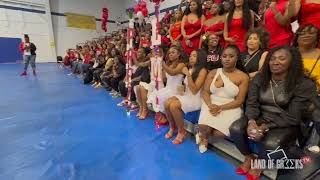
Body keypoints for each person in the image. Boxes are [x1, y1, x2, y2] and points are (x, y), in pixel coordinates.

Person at [229, 46, 318, 180]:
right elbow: (252, 103)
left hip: (286, 122)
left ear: (292, 61)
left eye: (282, 58)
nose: (275, 62)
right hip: (261, 116)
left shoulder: (303, 84)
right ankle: (249, 157)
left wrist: (264, 128)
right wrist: (252, 122)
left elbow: (292, 117)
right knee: (235, 128)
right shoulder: (260, 78)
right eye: (272, 58)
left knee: (271, 143)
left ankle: (260, 163)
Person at [197, 45, 249, 153]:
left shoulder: (243, 77)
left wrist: (220, 108)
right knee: (203, 126)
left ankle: (202, 134)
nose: (227, 59)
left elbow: (239, 101)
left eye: (231, 56)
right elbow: (206, 92)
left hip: (231, 106)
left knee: (221, 133)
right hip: (211, 103)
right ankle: (204, 137)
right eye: (224, 56)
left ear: (237, 58)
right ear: (221, 58)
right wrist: (210, 105)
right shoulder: (213, 72)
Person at [164, 49, 208, 145]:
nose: (191, 58)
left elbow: (195, 90)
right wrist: (182, 88)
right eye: (191, 55)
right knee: (166, 102)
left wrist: (188, 74)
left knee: (173, 106)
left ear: (200, 58)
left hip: (196, 99)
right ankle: (172, 127)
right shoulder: (191, 69)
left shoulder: (203, 71)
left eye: (194, 56)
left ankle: (181, 131)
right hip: (187, 96)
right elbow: (187, 88)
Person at [147, 46, 186, 125]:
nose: (170, 54)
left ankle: (169, 120)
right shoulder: (169, 64)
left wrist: (163, 63)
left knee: (160, 96)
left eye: (173, 52)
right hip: (168, 88)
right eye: (169, 53)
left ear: (178, 54)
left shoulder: (182, 65)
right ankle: (164, 117)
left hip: (176, 90)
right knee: (155, 95)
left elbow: (172, 72)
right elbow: (164, 79)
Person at [294, 24, 320, 95]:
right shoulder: (288, 54)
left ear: (317, 38)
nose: (307, 35)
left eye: (311, 33)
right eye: (302, 33)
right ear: (296, 38)